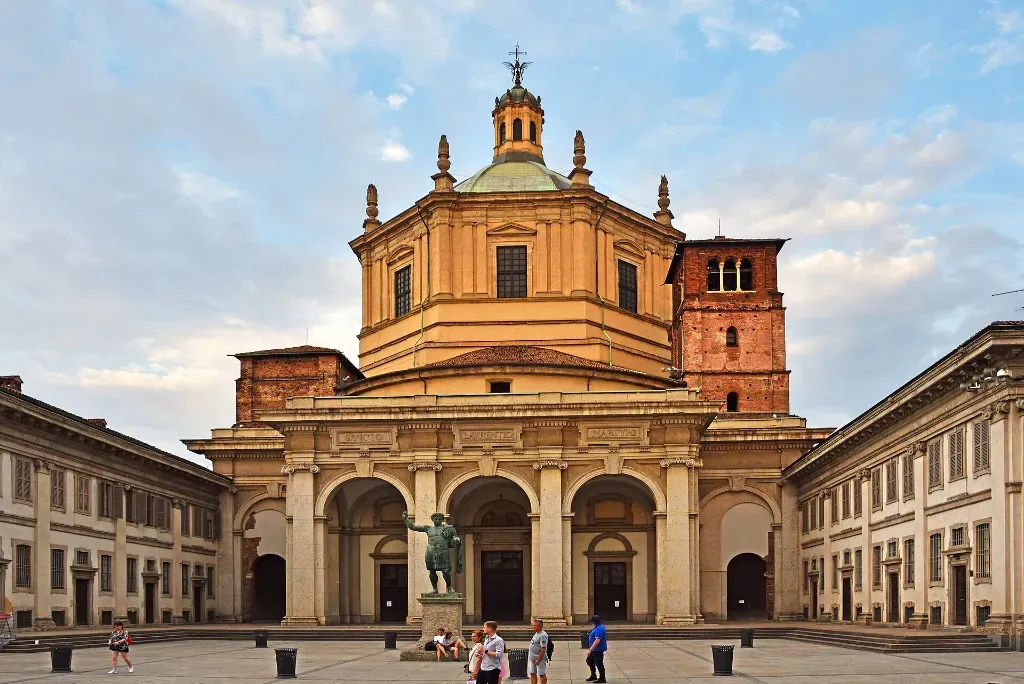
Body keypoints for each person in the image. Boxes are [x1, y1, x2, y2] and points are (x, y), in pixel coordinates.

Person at [473, 620, 504, 684]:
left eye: (484, 627)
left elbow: (499, 655)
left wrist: (485, 651)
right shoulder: (487, 638)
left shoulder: (498, 640)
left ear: (489, 629)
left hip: (492, 669)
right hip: (483, 667)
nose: (483, 629)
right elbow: (485, 652)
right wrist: (480, 653)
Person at [585, 614, 607, 683]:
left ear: (595, 622)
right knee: (589, 661)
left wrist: (590, 649)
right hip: (594, 650)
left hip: (597, 650)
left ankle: (602, 678)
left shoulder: (599, 629)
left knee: (599, 664)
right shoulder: (597, 627)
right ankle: (593, 675)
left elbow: (597, 640)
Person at [528, 618, 549, 684]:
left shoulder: (542, 635)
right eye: (533, 625)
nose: (533, 627)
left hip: (539, 658)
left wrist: (538, 659)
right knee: (532, 673)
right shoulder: (536, 634)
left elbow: (543, 648)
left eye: (535, 625)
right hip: (532, 658)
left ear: (540, 626)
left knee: (541, 674)